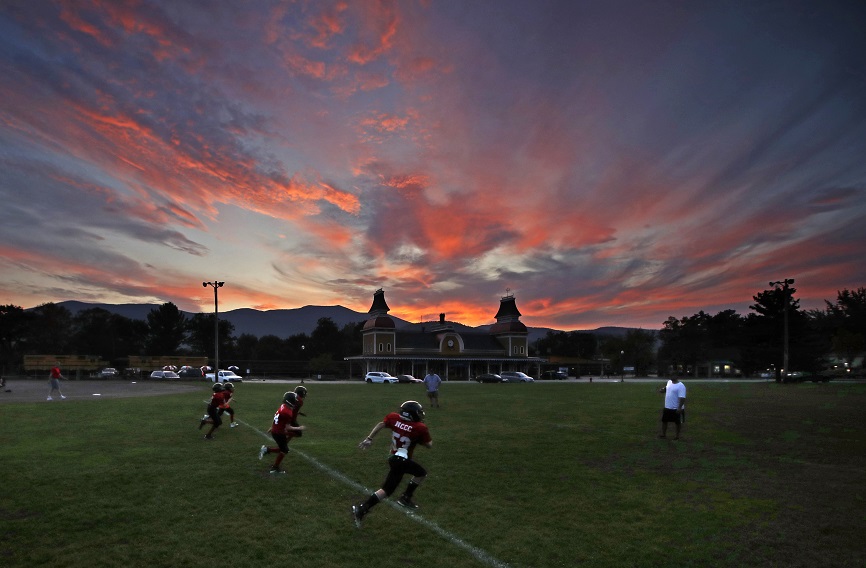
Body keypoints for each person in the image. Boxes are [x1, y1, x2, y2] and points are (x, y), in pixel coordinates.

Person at [352, 400, 432, 528]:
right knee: (421, 473)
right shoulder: (419, 427)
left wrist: (369, 438)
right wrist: (419, 439)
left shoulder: (393, 418)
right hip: (402, 460)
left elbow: (381, 424)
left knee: (387, 490)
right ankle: (406, 497)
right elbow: (429, 445)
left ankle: (362, 508)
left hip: (393, 458)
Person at [258, 392, 306, 474]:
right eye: (294, 400)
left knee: (283, 449)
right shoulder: (288, 412)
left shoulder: (283, 406)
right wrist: (299, 428)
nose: (296, 402)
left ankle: (267, 450)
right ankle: (274, 467)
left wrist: (272, 426)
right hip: (278, 433)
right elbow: (288, 427)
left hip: (277, 430)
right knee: (284, 450)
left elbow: (277, 418)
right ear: (290, 401)